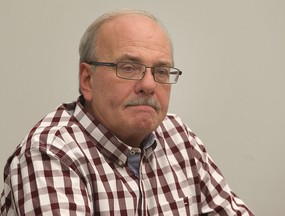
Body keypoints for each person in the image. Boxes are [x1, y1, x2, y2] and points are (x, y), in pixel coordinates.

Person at [0, 9, 254, 215]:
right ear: (88, 80)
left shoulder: (179, 136)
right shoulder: (50, 153)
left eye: (161, 71)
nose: (148, 85)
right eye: (129, 67)